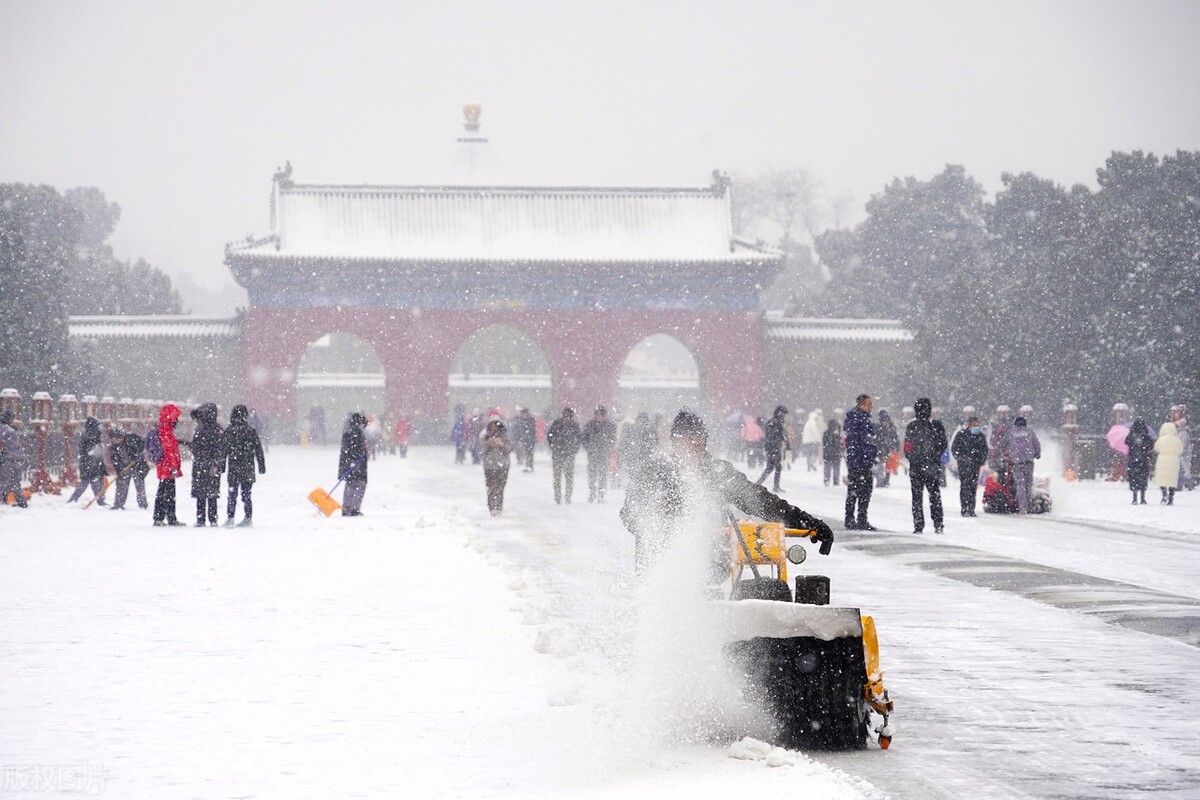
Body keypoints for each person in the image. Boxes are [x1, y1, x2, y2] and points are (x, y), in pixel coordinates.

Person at [619, 409, 835, 576]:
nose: (697, 447)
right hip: (661, 571)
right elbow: (630, 514)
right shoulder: (652, 472)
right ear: (675, 442)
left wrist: (809, 523)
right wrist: (660, 534)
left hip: (712, 568)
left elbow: (761, 501)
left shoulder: (717, 472)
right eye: (690, 441)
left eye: (701, 442)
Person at [904, 398, 948, 534]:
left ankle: (918, 524)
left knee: (917, 497)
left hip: (916, 467)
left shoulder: (912, 427)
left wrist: (913, 458)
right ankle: (938, 523)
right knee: (934, 496)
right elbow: (943, 444)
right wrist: (934, 457)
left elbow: (907, 447)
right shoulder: (936, 426)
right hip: (932, 467)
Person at [223, 404, 266, 527]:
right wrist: (261, 466)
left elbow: (223, 450)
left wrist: (221, 467)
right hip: (248, 467)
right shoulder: (251, 431)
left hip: (234, 467)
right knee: (246, 494)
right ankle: (248, 518)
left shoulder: (229, 431)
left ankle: (230, 518)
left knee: (232, 494)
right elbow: (258, 449)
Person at [843, 394, 878, 530]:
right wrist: (865, 458)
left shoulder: (856, 419)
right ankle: (859, 519)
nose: (871, 407)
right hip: (860, 462)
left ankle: (852, 518)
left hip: (857, 461)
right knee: (862, 491)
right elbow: (860, 442)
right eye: (869, 404)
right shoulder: (860, 420)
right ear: (861, 404)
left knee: (855, 490)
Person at [189, 403, 225, 527]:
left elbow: (195, 447)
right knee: (212, 492)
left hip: (200, 464)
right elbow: (222, 447)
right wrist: (218, 463)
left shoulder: (199, 429)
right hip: (213, 465)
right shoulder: (218, 429)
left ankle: (200, 519)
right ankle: (213, 519)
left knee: (200, 493)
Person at [997, 416, 1041, 514]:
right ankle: (1029, 506)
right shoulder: (1030, 433)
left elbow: (1001, 445)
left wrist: (1004, 453)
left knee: (1020, 484)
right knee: (1028, 484)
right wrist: (1037, 454)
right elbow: (1037, 444)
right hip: (1029, 462)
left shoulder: (1010, 433)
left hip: (1016, 462)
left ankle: (1022, 507)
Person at [151, 403, 185, 526]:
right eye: (175, 418)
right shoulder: (166, 431)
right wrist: (174, 467)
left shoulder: (164, 429)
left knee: (165, 492)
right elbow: (169, 451)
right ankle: (164, 517)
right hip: (167, 467)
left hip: (165, 467)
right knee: (166, 493)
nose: (177, 421)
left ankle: (164, 517)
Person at [951, 416, 988, 516]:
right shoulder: (961, 434)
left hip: (975, 465)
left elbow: (984, 450)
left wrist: (980, 460)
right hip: (964, 465)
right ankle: (964, 508)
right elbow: (955, 449)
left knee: (972, 487)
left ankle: (971, 509)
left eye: (977, 424)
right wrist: (962, 458)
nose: (976, 426)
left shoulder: (980, 436)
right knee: (965, 486)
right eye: (974, 424)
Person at [67, 417, 108, 505]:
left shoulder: (87, 435)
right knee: (95, 483)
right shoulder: (93, 436)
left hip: (87, 463)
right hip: (93, 463)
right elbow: (92, 451)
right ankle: (100, 501)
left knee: (85, 483)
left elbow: (84, 451)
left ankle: (73, 499)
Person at [546, 407, 582, 504]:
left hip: (569, 455)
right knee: (557, 477)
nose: (569, 418)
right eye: (567, 416)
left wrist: (574, 450)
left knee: (569, 477)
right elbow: (549, 436)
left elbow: (579, 439)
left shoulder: (575, 426)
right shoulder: (556, 424)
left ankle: (568, 496)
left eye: (570, 416)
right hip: (558, 454)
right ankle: (558, 496)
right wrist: (553, 447)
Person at [582, 405, 617, 503]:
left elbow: (613, 438)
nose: (601, 417)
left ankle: (601, 495)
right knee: (592, 474)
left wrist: (609, 448)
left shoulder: (611, 425)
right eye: (599, 415)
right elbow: (584, 438)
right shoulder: (590, 425)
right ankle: (592, 493)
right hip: (593, 453)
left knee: (603, 474)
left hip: (604, 453)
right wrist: (589, 448)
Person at [108, 427, 149, 511]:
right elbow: (115, 460)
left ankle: (142, 504)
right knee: (121, 486)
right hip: (124, 468)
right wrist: (119, 469)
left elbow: (142, 445)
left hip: (137, 466)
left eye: (117, 439)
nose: (115, 441)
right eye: (113, 439)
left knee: (139, 486)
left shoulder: (131, 439)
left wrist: (137, 456)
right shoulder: (113, 447)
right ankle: (118, 504)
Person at [339, 412, 369, 516]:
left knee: (350, 486)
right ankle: (353, 508)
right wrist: (363, 453)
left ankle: (347, 508)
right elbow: (356, 449)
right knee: (358, 486)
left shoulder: (348, 431)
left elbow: (346, 450)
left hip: (349, 464)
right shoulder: (357, 432)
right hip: (356, 465)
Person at [481, 417, 512, 515]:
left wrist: (501, 444)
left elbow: (509, 449)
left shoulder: (505, 437)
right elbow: (481, 450)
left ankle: (498, 506)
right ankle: (492, 507)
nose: (493, 428)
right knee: (491, 487)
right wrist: (488, 444)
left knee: (500, 487)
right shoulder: (485, 437)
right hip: (489, 466)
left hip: (503, 466)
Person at [755, 405, 790, 491]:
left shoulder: (771, 422)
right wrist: (786, 442)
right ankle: (775, 486)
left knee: (770, 467)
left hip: (770, 447)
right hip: (774, 448)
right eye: (784, 414)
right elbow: (779, 436)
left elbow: (770, 435)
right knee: (777, 467)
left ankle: (758, 483)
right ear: (780, 414)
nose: (784, 417)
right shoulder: (776, 423)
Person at [0, 410, 28, 507]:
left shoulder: (3, 430)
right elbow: (16, 446)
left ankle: (4, 499)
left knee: (3, 481)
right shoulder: (10, 431)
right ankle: (21, 502)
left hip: (6, 459)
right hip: (17, 459)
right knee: (15, 482)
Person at [1124, 418, 1154, 505]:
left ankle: (1134, 498)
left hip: (1133, 461)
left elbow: (1126, 442)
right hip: (1144, 461)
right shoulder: (1147, 437)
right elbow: (1151, 446)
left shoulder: (1131, 436)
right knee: (1143, 479)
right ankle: (1143, 498)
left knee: (1134, 479)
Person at [1153, 420, 1183, 505]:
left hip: (1162, 462)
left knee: (1162, 479)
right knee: (1172, 481)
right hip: (1174, 462)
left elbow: (1156, 448)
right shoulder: (1177, 440)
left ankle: (1164, 494)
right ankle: (1171, 498)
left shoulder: (1161, 440)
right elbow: (1180, 451)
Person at [874, 410, 900, 488]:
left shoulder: (882, 428)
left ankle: (883, 481)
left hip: (885, 449)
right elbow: (896, 439)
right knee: (885, 466)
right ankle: (883, 481)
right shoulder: (891, 428)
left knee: (885, 466)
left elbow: (895, 439)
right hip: (885, 449)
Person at [512, 407, 537, 472]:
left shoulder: (530, 420)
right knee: (526, 452)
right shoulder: (522, 420)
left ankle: (529, 466)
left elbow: (532, 430)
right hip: (525, 439)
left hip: (530, 439)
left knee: (529, 453)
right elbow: (519, 430)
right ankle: (528, 465)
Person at [822, 417, 843, 487]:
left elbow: (824, 443)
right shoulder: (837, 434)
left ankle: (826, 479)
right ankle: (836, 481)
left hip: (827, 453)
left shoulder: (826, 433)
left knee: (827, 468)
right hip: (836, 453)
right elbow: (839, 444)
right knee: (836, 468)